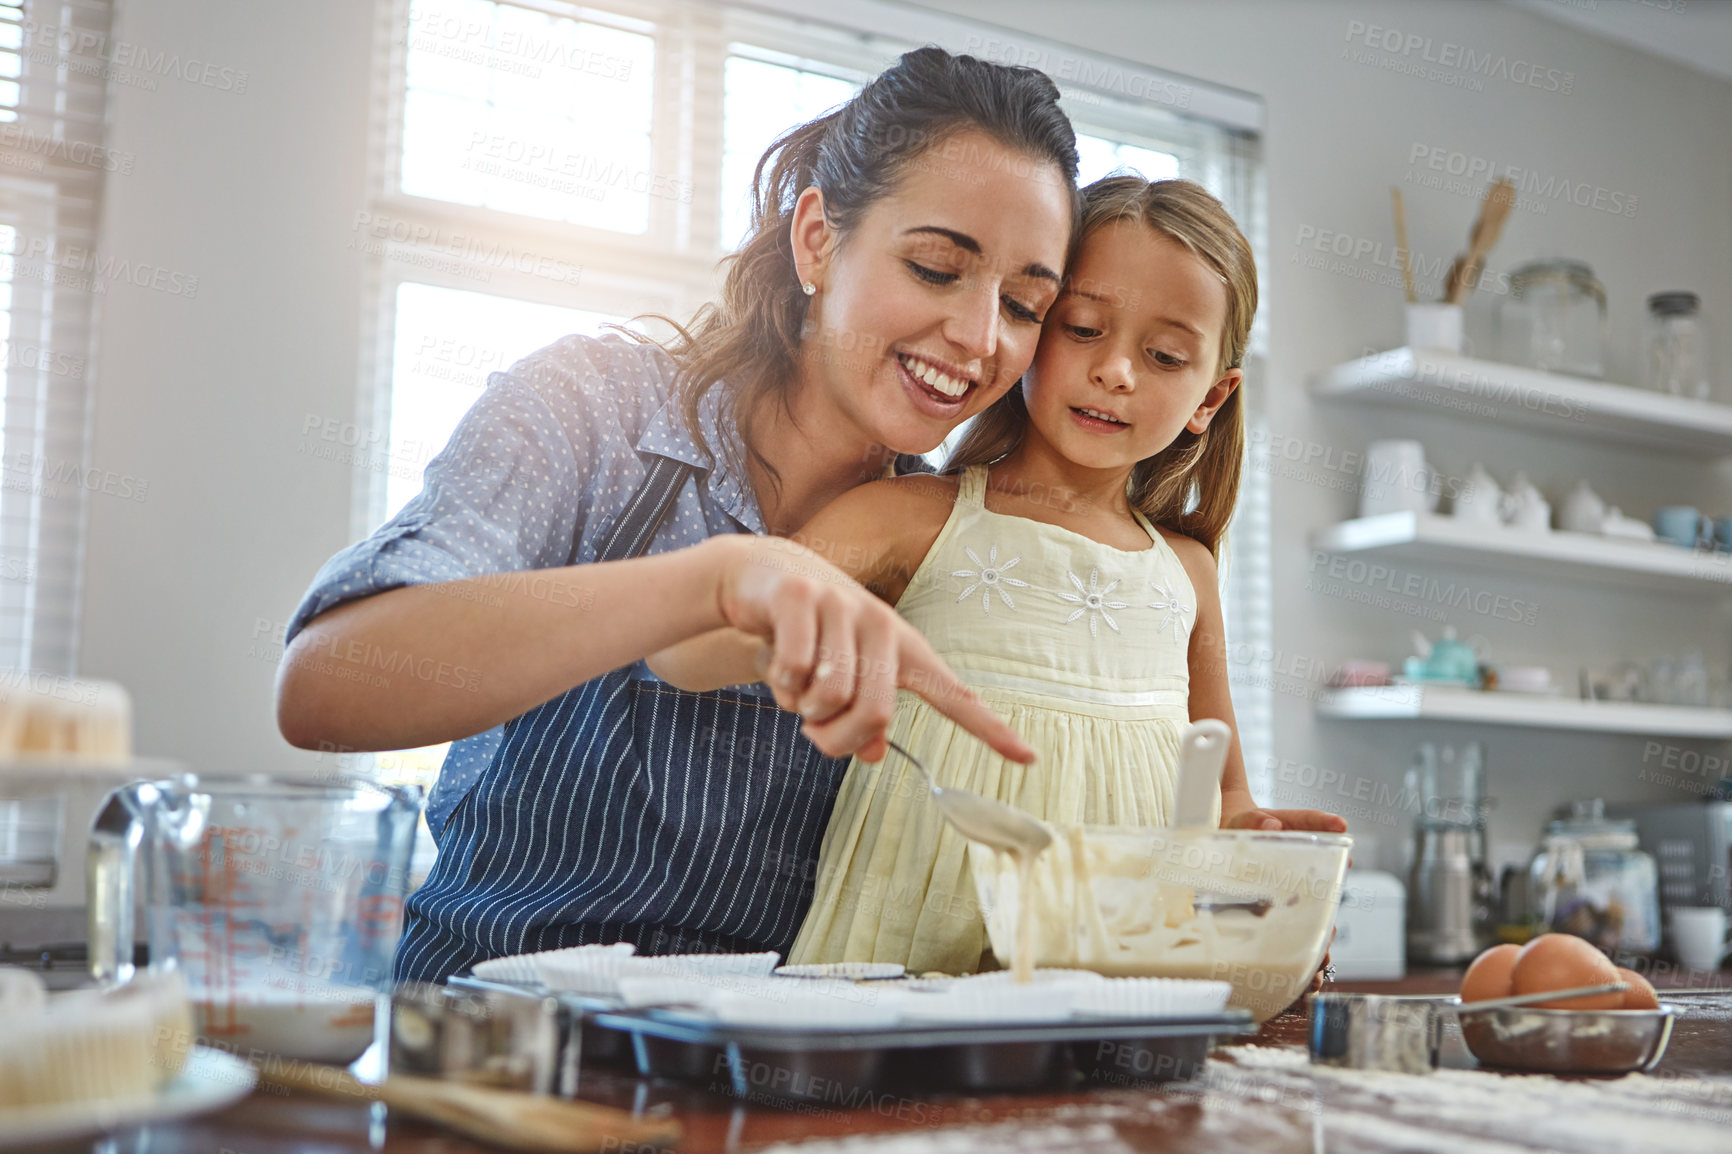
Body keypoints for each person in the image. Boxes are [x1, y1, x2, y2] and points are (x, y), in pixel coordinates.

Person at [275, 47, 1080, 983]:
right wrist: (714, 580)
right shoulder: (591, 410)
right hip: (492, 1043)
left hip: (764, 1080)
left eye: (1025, 304)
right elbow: (325, 687)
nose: (982, 339)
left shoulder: (954, 540)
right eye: (938, 267)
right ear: (817, 238)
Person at [650, 177, 1347, 975]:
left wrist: (1255, 844)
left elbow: (1219, 791)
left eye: (1164, 356)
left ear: (1210, 398)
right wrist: (784, 638)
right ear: (1026, 330)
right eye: (1082, 328)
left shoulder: (1186, 573)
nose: (1116, 370)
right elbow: (687, 647)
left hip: (1114, 970)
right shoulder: (910, 518)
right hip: (908, 957)